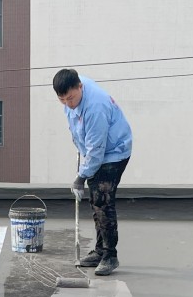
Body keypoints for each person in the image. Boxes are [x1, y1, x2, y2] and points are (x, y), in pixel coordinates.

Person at [53, 69, 133, 276]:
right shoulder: (73, 91)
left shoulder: (95, 108)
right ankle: (99, 251)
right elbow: (81, 131)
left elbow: (97, 149)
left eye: (71, 98)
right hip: (96, 152)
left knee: (103, 202)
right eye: (62, 100)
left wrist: (80, 178)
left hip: (113, 152)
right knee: (96, 201)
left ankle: (110, 256)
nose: (68, 103)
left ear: (80, 87)